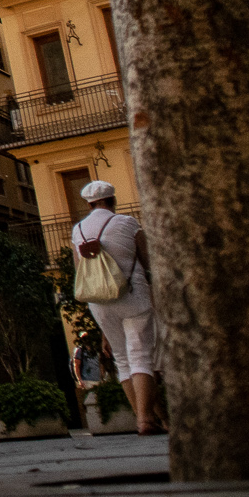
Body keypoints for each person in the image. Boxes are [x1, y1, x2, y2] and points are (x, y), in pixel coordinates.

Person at [71, 181, 164, 434]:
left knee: (122, 360)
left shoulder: (78, 230)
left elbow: (81, 271)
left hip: (99, 302)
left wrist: (102, 332)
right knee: (141, 356)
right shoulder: (128, 223)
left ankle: (141, 418)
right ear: (112, 200)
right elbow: (148, 263)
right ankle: (147, 420)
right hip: (133, 295)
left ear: (88, 203)